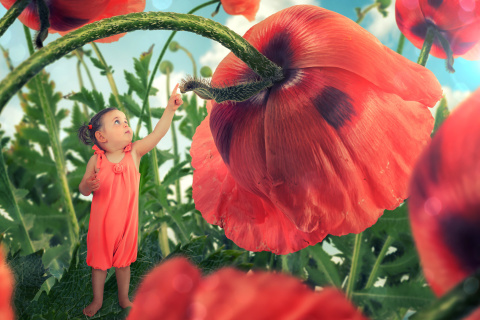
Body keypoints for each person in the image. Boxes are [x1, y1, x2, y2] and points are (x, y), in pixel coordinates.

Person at [77, 84, 183, 317]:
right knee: (99, 266)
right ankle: (97, 300)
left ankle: (124, 298)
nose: (125, 123)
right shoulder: (96, 161)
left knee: (124, 264)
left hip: (126, 226)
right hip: (101, 227)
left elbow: (157, 134)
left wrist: (169, 110)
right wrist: (89, 185)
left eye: (125, 120)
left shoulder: (133, 152)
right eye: (117, 121)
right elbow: (83, 188)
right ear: (101, 136)